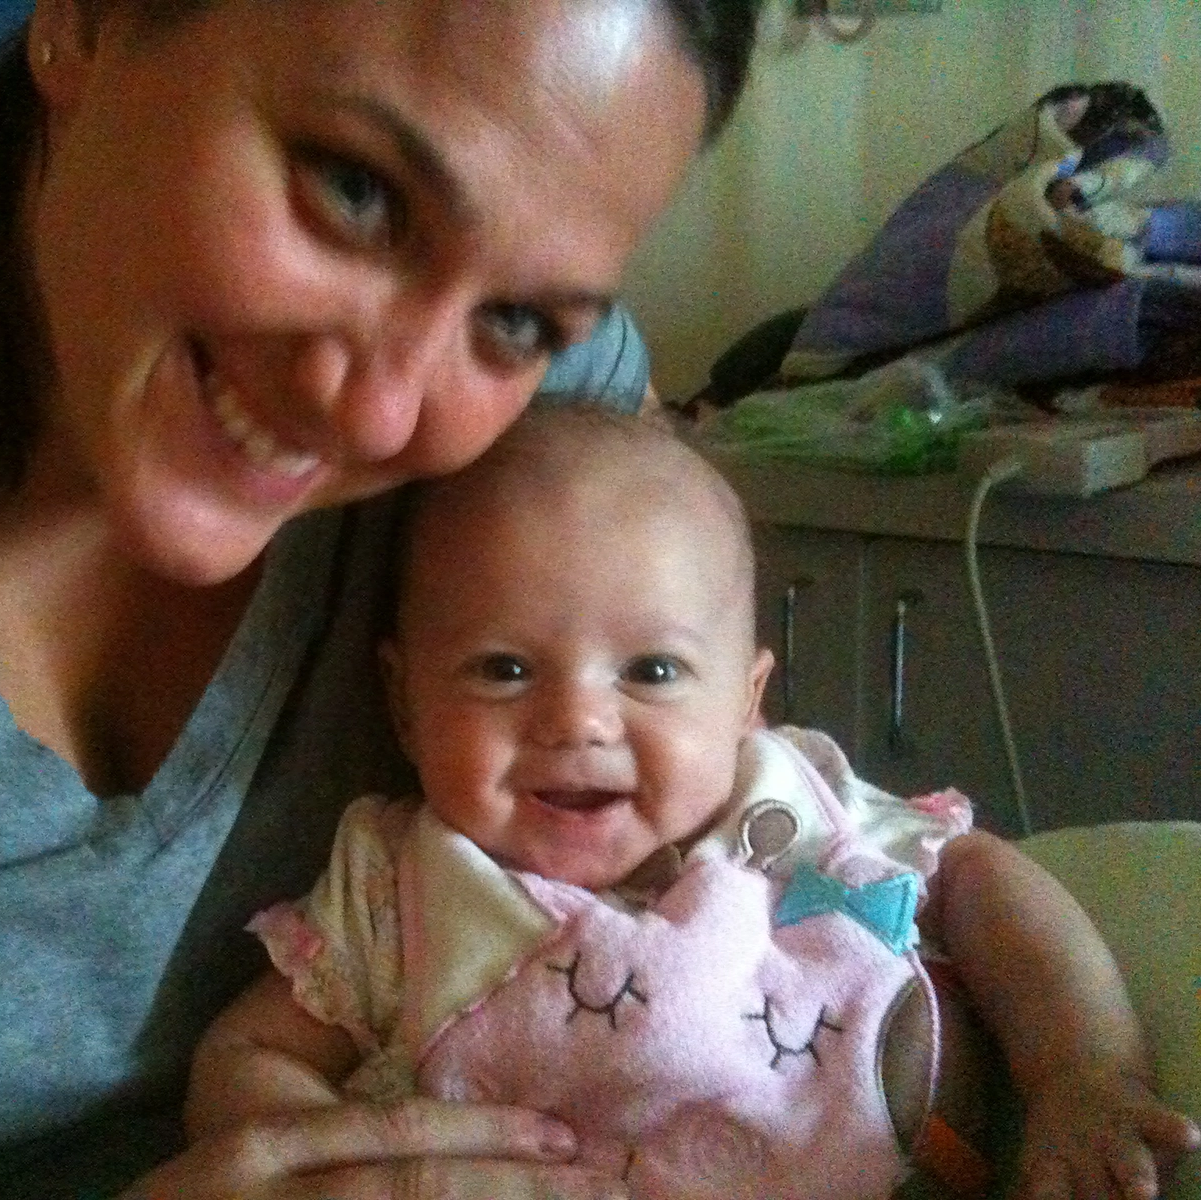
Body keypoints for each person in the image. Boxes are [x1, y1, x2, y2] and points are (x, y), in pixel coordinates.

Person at [0, 1, 765, 1197]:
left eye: (515, 321)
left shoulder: (545, 441)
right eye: (355, 192)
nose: (383, 413)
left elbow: (742, 862)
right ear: (86, 23)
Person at [184, 404, 1201, 1200]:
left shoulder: (791, 811)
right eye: (503, 668)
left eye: (654, 670)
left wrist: (1082, 1075)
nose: (577, 720)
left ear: (746, 705)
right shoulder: (398, 885)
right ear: (404, 705)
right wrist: (327, 1163)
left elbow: (980, 878)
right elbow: (249, 1050)